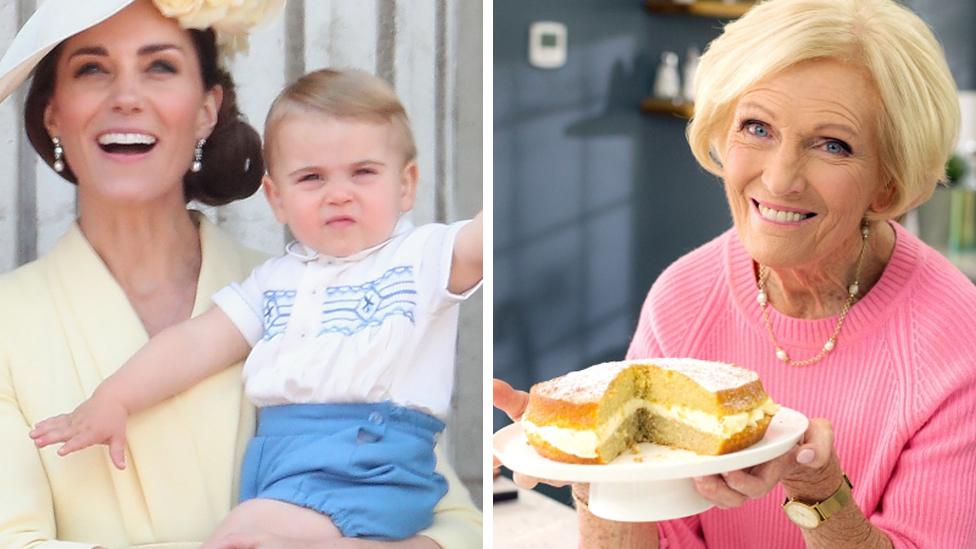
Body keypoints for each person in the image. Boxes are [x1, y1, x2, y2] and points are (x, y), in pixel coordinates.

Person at [494, 0, 976, 547]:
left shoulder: (958, 338)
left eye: (833, 144)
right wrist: (597, 474)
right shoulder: (684, 295)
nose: (779, 178)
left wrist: (819, 493)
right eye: (757, 127)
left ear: (888, 184)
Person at [0, 1, 481, 548]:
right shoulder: (7, 325)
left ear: (208, 108)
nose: (126, 98)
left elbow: (457, 526)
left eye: (159, 66)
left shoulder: (317, 289)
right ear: (52, 114)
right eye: (92, 68)